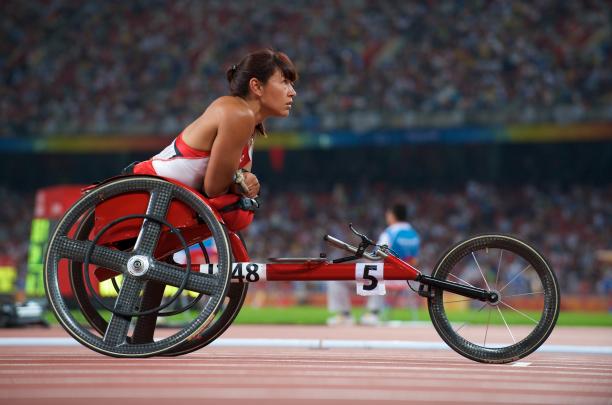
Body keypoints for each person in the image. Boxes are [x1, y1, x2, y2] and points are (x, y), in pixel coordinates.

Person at [129, 49, 298, 231]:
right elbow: (215, 189)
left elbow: (235, 184)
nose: (293, 92)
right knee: (235, 211)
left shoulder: (249, 122)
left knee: (239, 210)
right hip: (142, 195)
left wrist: (243, 181)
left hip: (158, 198)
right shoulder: (238, 113)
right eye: (285, 83)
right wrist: (243, 181)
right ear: (256, 86)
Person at [327, 203, 420, 326]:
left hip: (386, 278)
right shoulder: (414, 235)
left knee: (336, 278)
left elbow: (376, 256)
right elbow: (414, 260)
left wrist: (361, 263)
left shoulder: (390, 233)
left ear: (392, 215)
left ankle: (349, 314)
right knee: (376, 271)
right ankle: (372, 312)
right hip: (406, 280)